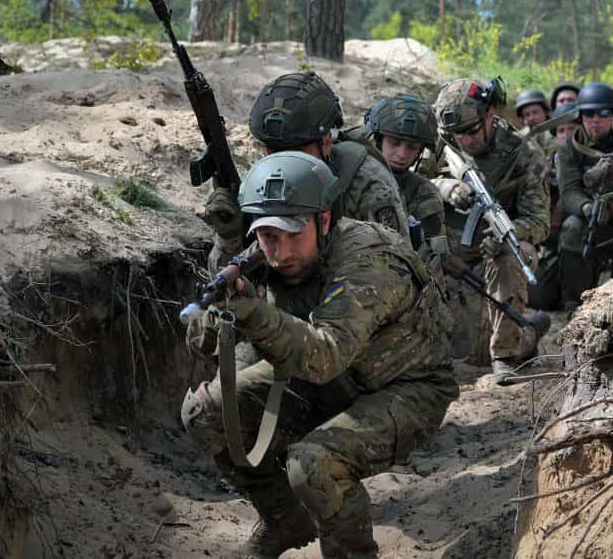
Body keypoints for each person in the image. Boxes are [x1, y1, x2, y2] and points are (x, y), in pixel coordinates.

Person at [182, 151, 457, 558]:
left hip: (405, 388)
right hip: (325, 380)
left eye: (295, 234)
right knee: (204, 413)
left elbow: (327, 353)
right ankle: (284, 520)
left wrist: (255, 314)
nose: (283, 251)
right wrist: (225, 310)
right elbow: (199, 342)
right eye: (270, 236)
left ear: (324, 220)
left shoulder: (368, 258)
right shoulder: (258, 258)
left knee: (313, 464)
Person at [203, 71, 409, 270]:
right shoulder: (262, 182)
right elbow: (225, 276)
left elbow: (398, 266)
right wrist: (229, 238)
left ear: (327, 142)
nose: (285, 163)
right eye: (275, 152)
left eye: (297, 152)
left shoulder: (366, 182)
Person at [432, 77, 549, 383]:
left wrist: (508, 233)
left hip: (494, 252)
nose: (467, 141)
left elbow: (540, 222)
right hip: (446, 249)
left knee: (514, 255)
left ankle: (506, 354)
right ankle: (529, 331)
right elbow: (407, 184)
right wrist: (445, 187)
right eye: (459, 135)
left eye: (472, 131)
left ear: (490, 116)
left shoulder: (523, 154)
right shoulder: (442, 142)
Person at [556, 82, 613, 312]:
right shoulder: (570, 148)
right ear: (580, 116)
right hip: (590, 219)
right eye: (589, 113)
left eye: (603, 113)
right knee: (571, 228)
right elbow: (568, 193)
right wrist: (588, 208)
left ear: (612, 115)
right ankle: (574, 303)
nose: (595, 119)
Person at [363, 94, 449, 269]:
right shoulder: (356, 178)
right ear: (378, 139)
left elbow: (436, 258)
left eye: (412, 147)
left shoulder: (425, 193)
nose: (402, 154)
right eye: (394, 143)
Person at [528, 100, 580, 310]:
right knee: (540, 299)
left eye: (572, 128)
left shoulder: (591, 159)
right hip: (553, 240)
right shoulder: (547, 164)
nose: (566, 134)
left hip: (583, 238)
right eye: (561, 130)